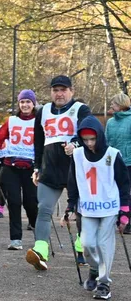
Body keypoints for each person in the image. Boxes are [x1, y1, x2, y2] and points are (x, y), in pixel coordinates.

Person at [27, 75, 91, 270]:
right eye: (55, 90)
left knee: (82, 211)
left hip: (76, 167)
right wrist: (36, 167)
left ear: (71, 91)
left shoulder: (81, 109)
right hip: (49, 168)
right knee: (44, 210)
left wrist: (76, 144)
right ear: (51, 92)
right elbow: (38, 141)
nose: (59, 93)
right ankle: (40, 251)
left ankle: (81, 248)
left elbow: (89, 133)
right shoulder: (43, 111)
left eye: (63, 90)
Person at [64, 116, 130, 300]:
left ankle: (104, 283)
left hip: (109, 207)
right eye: (85, 140)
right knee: (87, 244)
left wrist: (125, 211)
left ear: (99, 137)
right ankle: (94, 268)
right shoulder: (77, 155)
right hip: (87, 208)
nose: (89, 143)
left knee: (103, 244)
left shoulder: (113, 154)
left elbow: (124, 183)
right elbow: (73, 181)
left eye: (92, 139)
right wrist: (70, 205)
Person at [0, 90, 39, 250]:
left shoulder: (39, 121)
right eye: (22, 102)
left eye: (28, 102)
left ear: (33, 104)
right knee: (14, 202)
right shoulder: (12, 120)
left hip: (30, 168)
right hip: (11, 166)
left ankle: (39, 234)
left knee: (31, 203)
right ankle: (16, 239)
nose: (25, 105)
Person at [105, 92, 131, 234]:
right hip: (114, 161)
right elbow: (107, 141)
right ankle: (118, 217)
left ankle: (128, 220)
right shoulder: (110, 122)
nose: (111, 106)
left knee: (127, 192)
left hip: (129, 161)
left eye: (113, 103)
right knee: (115, 191)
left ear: (121, 105)